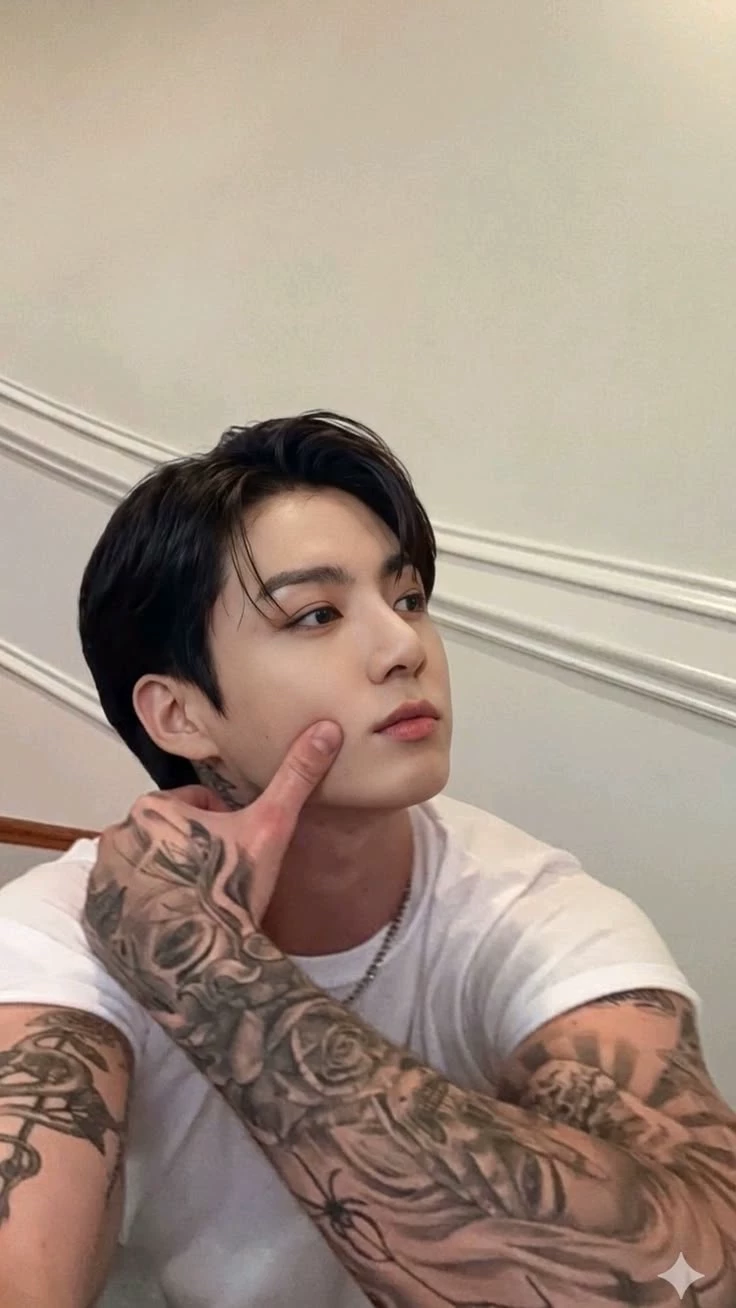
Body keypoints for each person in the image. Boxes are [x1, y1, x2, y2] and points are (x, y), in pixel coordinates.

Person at [0, 411, 733, 1307]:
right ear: (179, 715)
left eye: (409, 599)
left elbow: (699, 1273)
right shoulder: (58, 934)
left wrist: (206, 968)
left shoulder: (528, 910)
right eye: (317, 615)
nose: (403, 648)